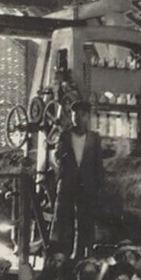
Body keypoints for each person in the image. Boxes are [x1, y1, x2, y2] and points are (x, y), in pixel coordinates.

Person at [52, 100, 105, 259]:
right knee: (64, 220)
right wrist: (58, 154)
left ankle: (83, 253)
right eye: (75, 115)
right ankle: (63, 254)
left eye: (82, 115)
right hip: (68, 184)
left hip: (87, 185)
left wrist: (99, 185)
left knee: (86, 220)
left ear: (88, 116)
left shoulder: (94, 138)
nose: (78, 118)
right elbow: (57, 158)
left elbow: (98, 163)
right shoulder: (64, 136)